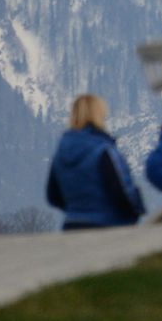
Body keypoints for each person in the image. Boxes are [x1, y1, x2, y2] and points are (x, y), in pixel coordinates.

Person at [46, 93, 145, 230]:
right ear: (99, 114)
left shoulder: (60, 153)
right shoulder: (103, 150)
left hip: (72, 225)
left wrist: (76, 210)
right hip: (107, 226)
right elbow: (121, 191)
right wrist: (137, 209)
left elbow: (53, 195)